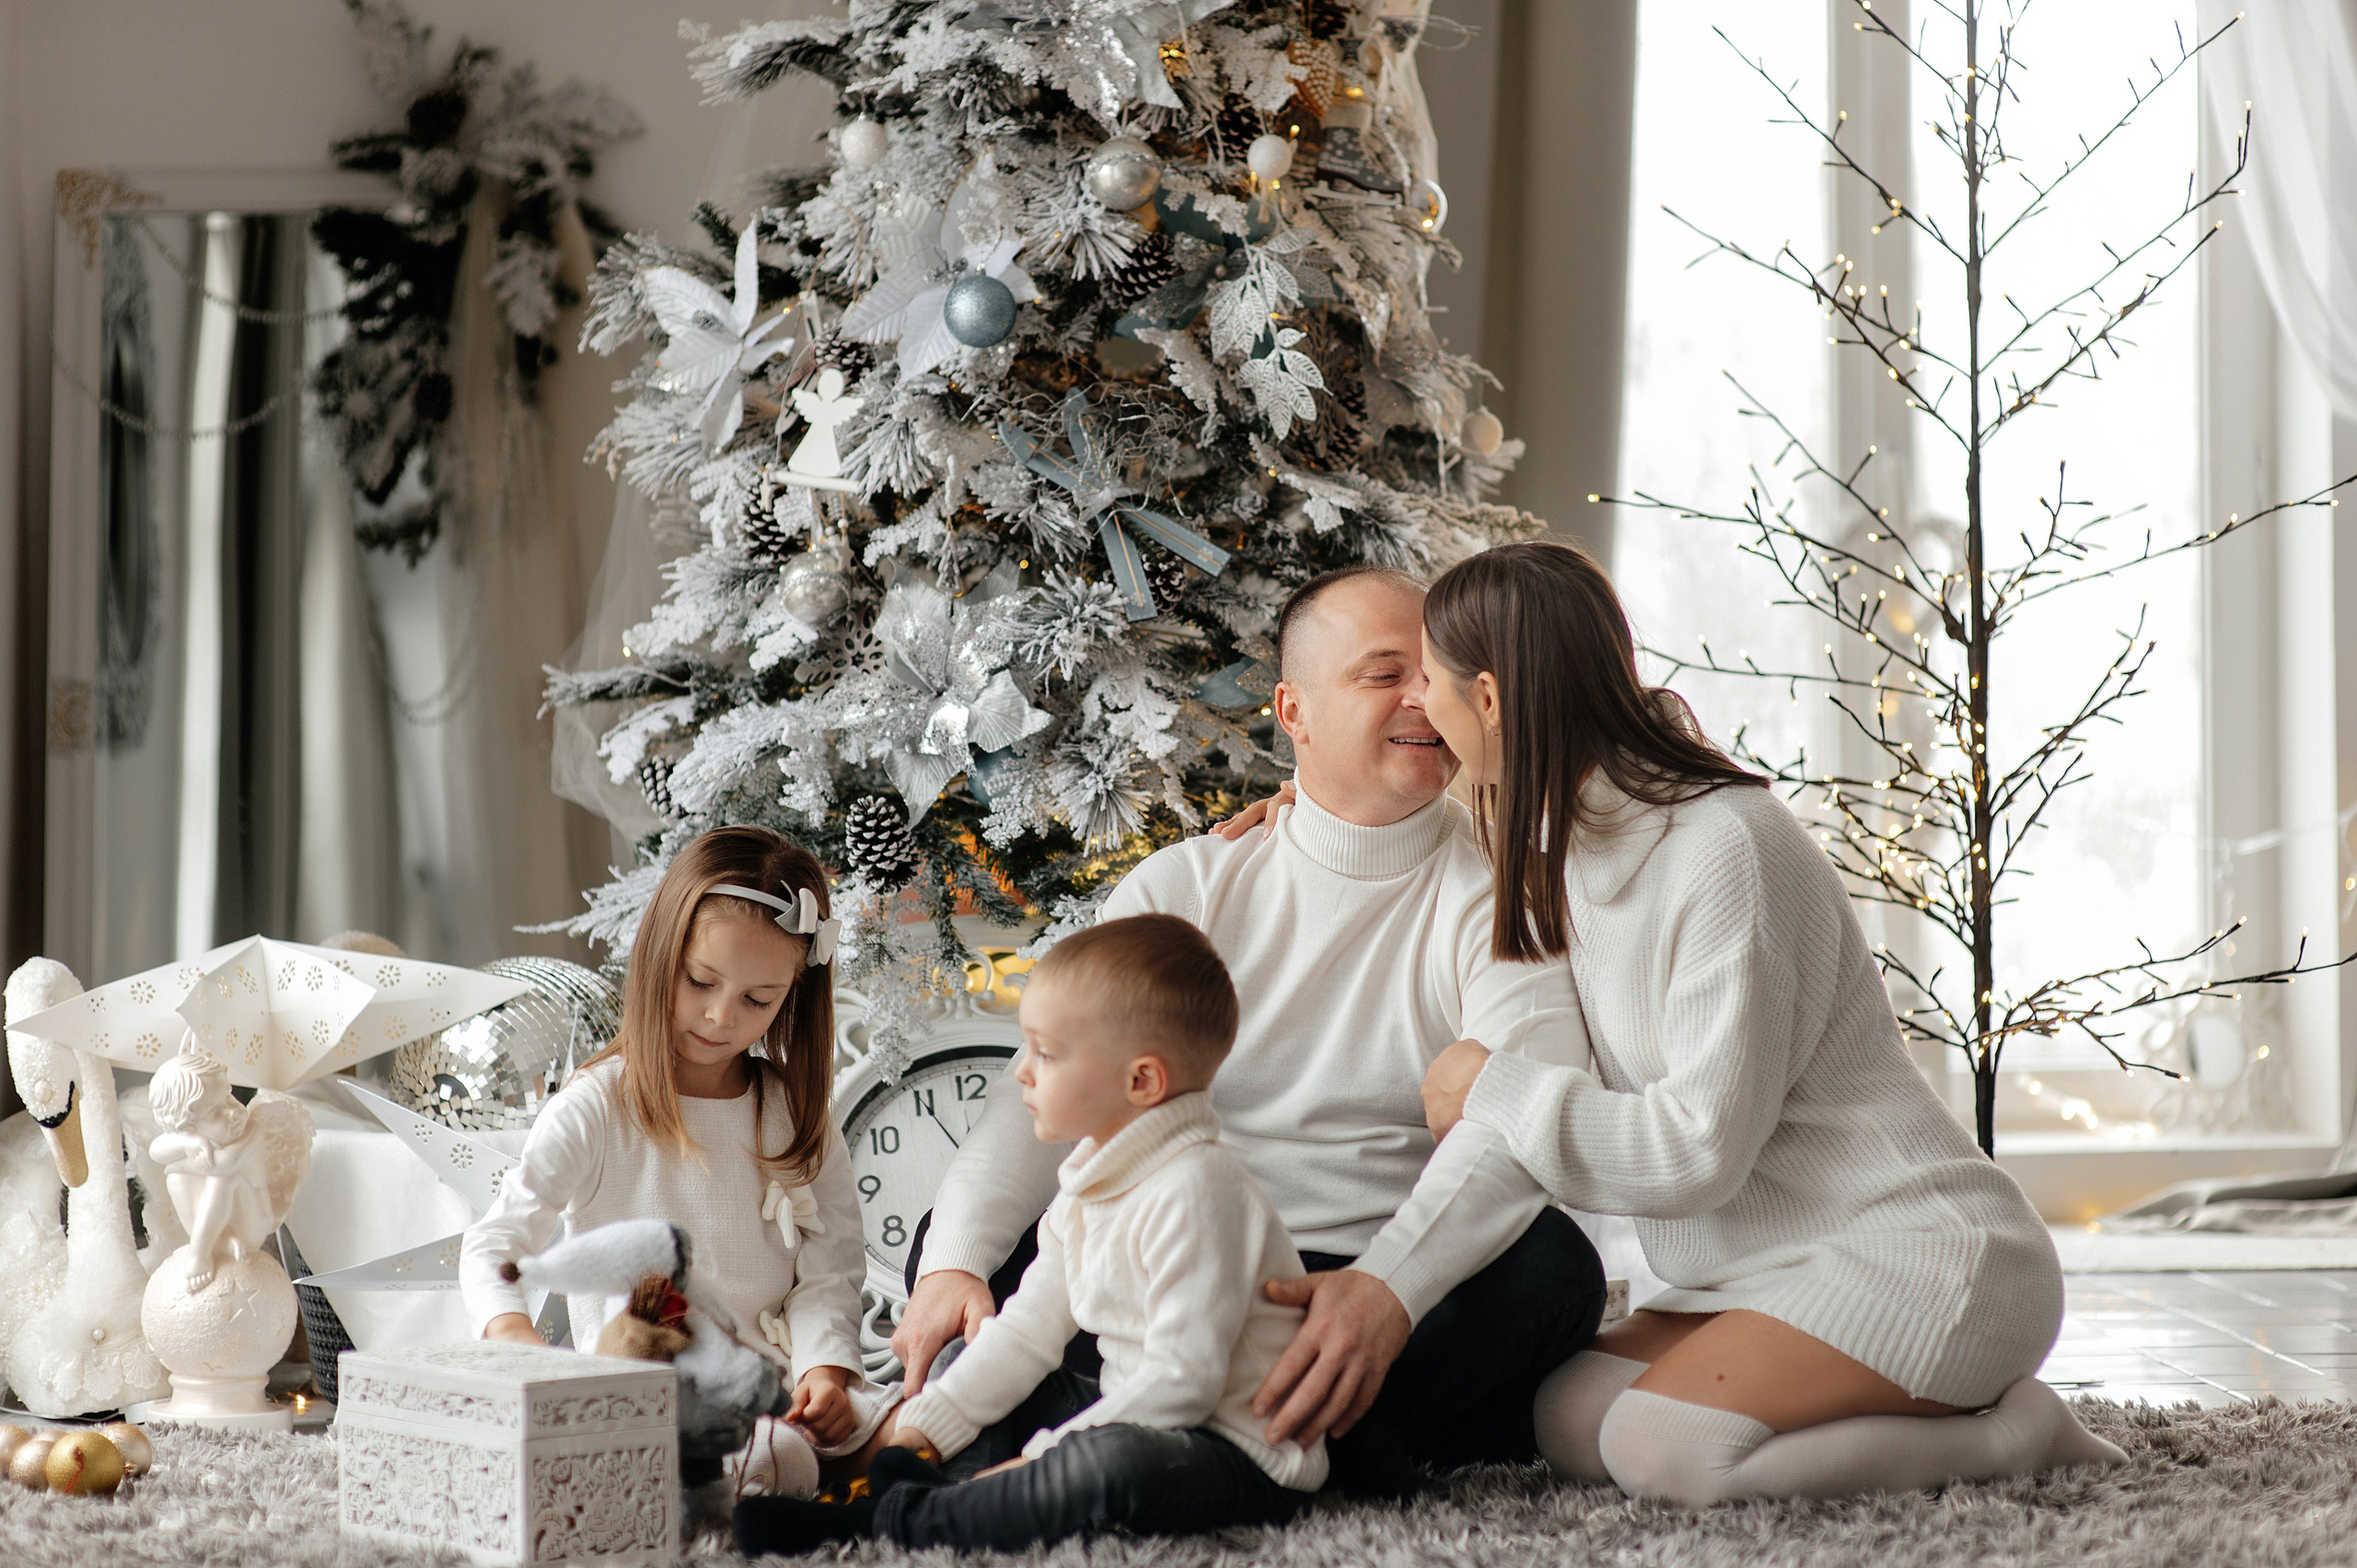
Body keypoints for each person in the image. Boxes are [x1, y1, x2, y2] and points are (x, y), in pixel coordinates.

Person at [1400, 540, 2124, 1506]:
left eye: (1426, 679)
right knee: (1569, 1415)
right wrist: (1293, 815)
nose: (1418, 704)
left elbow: (1698, 1152)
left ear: (1488, 700)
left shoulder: (1722, 846)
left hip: (1923, 1253)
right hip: (1760, 1267)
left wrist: (1490, 1085)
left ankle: (2015, 1433)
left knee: (1665, 1450)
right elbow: (1409, 848)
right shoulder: (1563, 835)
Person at [894, 566, 1608, 1487]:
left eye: (1435, 674)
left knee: (1555, 1270)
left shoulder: (1505, 891)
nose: (1421, 699)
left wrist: (1385, 1291)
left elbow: (1515, 1129)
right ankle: (1288, 1445)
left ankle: (1162, 1428)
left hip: (1363, 1278)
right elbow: (1050, 1080)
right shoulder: (1191, 883)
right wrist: (952, 1265)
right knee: (957, 1242)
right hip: (1178, 1251)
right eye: (1383, 673)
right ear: (1293, 712)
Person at [735, 914, 1323, 1554]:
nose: (1021, 1072)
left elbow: (1183, 1383)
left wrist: (1039, 1459)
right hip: (1129, 1406)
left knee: (1109, 1464)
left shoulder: (1200, 1189)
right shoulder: (1088, 1184)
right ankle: (927, 1487)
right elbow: (1027, 1333)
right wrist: (923, 1430)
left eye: (1046, 1053)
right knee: (971, 1352)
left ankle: (897, 1520)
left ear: (1141, 1081)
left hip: (1233, 1451)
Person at [459, 825, 888, 1496]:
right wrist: (516, 1338)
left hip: (775, 1392)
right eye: (701, 981)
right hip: (654, 1396)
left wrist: (824, 1374)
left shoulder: (796, 1114)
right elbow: (493, 1244)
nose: (720, 1016)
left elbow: (829, 1272)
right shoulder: (597, 1107)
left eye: (757, 1000)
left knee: (922, 1427)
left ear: (791, 996)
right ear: (662, 955)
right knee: (766, 1459)